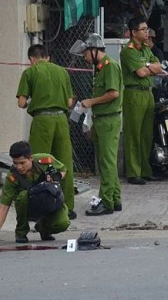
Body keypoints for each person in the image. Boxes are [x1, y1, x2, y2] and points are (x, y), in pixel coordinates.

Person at [17, 44, 76, 220]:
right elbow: (69, 102)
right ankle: (68, 207)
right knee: (64, 162)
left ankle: (40, 205)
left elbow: (21, 102)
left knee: (37, 162)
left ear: (31, 59)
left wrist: (30, 103)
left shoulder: (30, 72)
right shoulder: (62, 72)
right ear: (47, 57)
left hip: (42, 120)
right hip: (61, 120)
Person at [69, 34, 123, 215]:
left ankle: (106, 201)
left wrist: (91, 102)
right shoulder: (100, 69)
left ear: (94, 50)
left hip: (109, 119)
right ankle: (114, 199)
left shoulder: (110, 67)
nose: (84, 57)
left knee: (107, 163)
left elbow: (114, 93)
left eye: (85, 53)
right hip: (102, 119)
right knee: (107, 162)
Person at [0, 141, 70, 244]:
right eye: (15, 163)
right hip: (29, 208)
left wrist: (55, 179)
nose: (19, 167)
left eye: (22, 163)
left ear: (30, 158)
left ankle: (43, 228)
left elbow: (63, 169)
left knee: (63, 223)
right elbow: (4, 205)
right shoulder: (12, 177)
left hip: (49, 202)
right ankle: (21, 232)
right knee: (22, 196)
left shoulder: (44, 160)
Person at [120, 17, 162, 185]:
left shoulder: (146, 49)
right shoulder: (128, 51)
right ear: (134, 32)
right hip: (134, 94)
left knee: (146, 134)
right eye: (143, 29)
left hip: (148, 93)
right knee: (133, 134)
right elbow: (141, 73)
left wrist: (148, 66)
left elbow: (158, 67)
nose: (147, 32)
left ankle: (145, 170)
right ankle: (133, 172)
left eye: (147, 29)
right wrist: (148, 67)